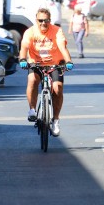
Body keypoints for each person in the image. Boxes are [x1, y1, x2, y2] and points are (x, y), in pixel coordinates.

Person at [19, 8, 74, 136]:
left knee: (57, 88)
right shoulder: (30, 32)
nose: (43, 23)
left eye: (46, 21)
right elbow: (24, 47)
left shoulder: (57, 31)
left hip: (54, 64)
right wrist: (22, 58)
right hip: (36, 64)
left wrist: (68, 61)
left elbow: (62, 47)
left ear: (50, 20)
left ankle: (55, 120)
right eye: (40, 20)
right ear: (36, 20)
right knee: (32, 80)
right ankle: (32, 110)